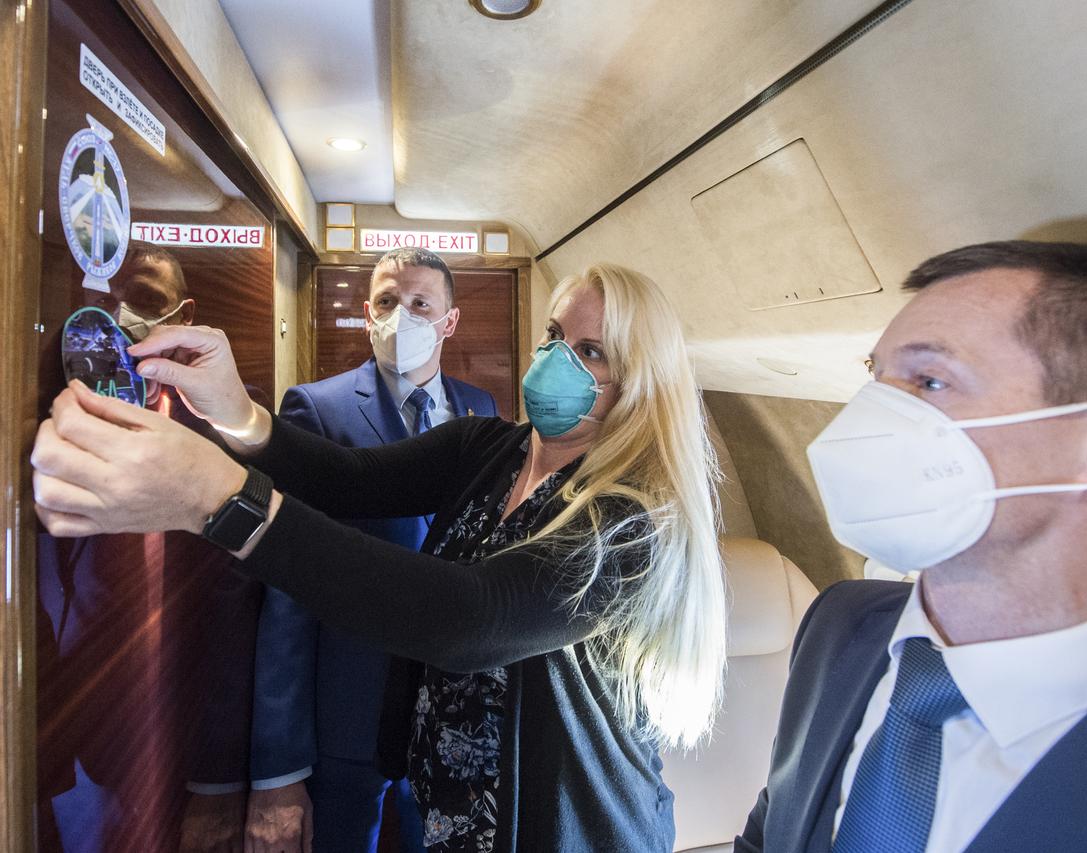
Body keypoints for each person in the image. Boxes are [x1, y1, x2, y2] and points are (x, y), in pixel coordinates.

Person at [32, 262, 727, 852]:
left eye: (592, 352)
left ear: (637, 381)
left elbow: (468, 618)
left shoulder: (634, 520)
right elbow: (347, 480)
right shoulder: (490, 448)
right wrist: (235, 411)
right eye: (554, 337)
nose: (556, 362)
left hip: (569, 829)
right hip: (453, 820)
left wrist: (219, 498)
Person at [737, 241, 1087, 852]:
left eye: (931, 380)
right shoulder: (840, 622)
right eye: (875, 378)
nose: (862, 423)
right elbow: (770, 831)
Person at [245, 248, 497, 853]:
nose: (401, 317)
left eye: (419, 305)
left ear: (449, 322)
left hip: (449, 721)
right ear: (366, 313)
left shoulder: (481, 412)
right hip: (350, 711)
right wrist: (279, 772)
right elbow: (289, 591)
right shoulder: (317, 410)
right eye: (388, 302)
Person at [36, 243, 264, 852]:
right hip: (69, 729)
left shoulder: (220, 434)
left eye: (142, 300)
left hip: (189, 730)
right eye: (104, 296)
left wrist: (219, 778)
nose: (117, 312)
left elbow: (240, 618)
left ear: (181, 318)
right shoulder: (43, 421)